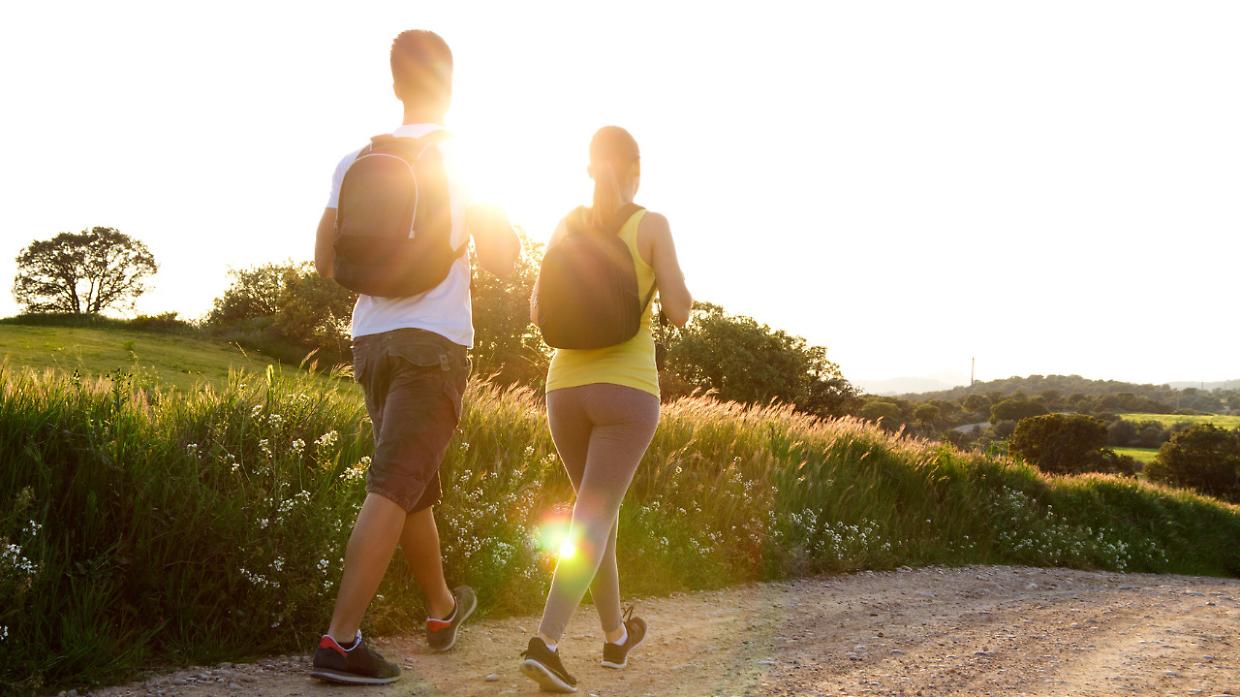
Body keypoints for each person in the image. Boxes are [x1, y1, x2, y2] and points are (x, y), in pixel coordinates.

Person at [309, 29, 520, 685]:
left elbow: (325, 259)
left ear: (397, 86)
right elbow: (505, 259)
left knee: (412, 489)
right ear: (450, 88)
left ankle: (441, 608)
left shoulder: (355, 159)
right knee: (395, 484)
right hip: (434, 343)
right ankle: (340, 640)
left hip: (369, 339)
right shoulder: (462, 163)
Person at [521, 126, 693, 693]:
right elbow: (681, 311)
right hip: (626, 391)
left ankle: (617, 637)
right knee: (591, 520)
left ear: (591, 168)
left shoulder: (565, 224)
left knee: (599, 519)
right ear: (636, 169)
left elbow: (537, 308)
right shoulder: (653, 225)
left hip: (563, 389)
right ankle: (544, 644)